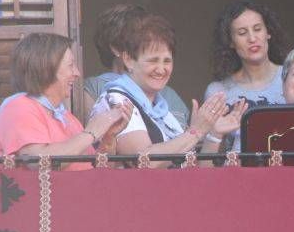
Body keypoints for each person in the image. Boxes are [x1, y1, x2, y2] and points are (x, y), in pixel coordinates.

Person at [91, 13, 247, 166]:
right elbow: (145, 162)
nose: (161, 69)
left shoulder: (162, 110)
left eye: (167, 61)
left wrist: (214, 134)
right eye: (153, 61)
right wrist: (195, 132)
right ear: (128, 60)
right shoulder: (117, 100)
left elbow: (196, 173)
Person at [0, 33, 132, 171]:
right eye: (71, 65)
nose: (77, 73)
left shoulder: (67, 118)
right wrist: (91, 132)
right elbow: (40, 163)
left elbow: (94, 172)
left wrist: (108, 137)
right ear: (46, 69)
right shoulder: (19, 108)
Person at [83, 4, 189, 126]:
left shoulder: (169, 96)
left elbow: (182, 141)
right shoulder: (94, 88)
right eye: (136, 39)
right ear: (116, 48)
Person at [205, 0, 289, 150]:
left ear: (268, 33)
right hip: (236, 172)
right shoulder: (218, 92)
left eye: (257, 29)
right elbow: (208, 165)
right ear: (231, 42)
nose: (252, 38)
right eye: (242, 33)